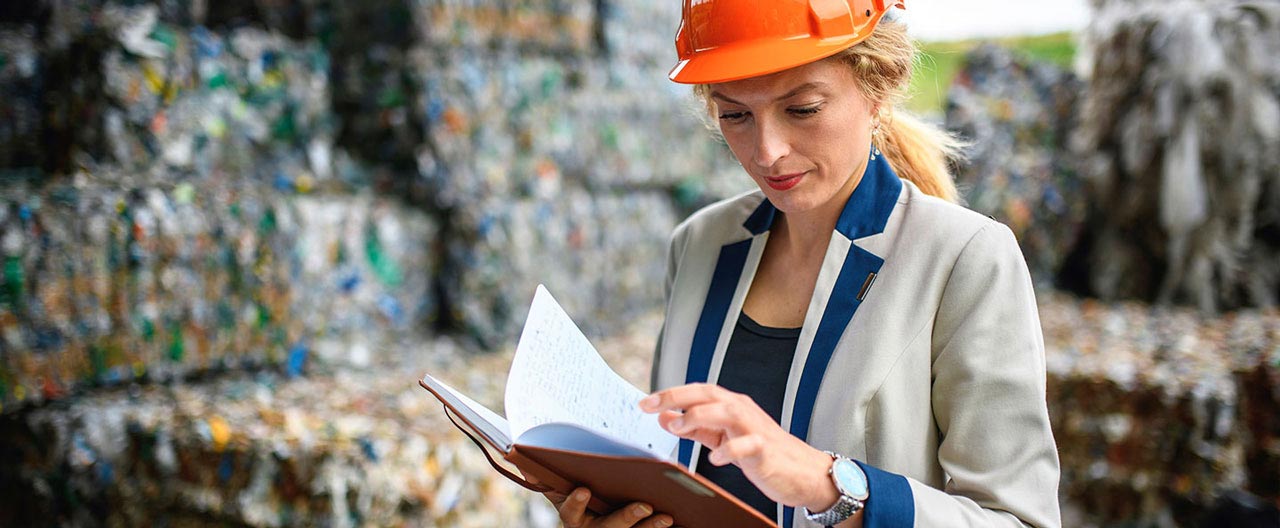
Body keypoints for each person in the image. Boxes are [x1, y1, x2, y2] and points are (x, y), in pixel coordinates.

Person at [544, 1, 1061, 526]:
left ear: (878, 87)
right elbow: (673, 468)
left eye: (803, 109)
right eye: (736, 114)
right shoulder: (697, 246)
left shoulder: (966, 260)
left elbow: (1017, 518)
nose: (767, 152)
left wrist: (828, 486)